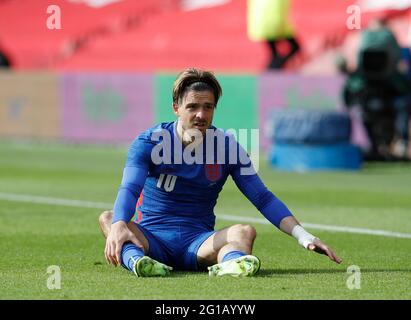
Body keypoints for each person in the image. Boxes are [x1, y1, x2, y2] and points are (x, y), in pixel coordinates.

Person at [99, 68, 342, 278]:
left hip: (198, 244)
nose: (201, 115)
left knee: (244, 232)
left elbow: (263, 198)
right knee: (110, 219)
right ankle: (139, 261)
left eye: (208, 107)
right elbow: (129, 189)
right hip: (151, 239)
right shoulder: (149, 143)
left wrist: (303, 236)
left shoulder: (228, 148)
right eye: (192, 107)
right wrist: (121, 223)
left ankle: (231, 263)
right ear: (176, 108)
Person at [340, 18, 411, 160]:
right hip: (381, 99)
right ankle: (398, 144)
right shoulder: (394, 74)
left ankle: (388, 145)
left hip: (375, 99)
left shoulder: (358, 80)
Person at [247, 0, 300, 69]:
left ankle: (272, 71)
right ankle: (271, 71)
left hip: (260, 25)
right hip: (273, 25)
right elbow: (275, 10)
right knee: (294, 47)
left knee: (275, 55)